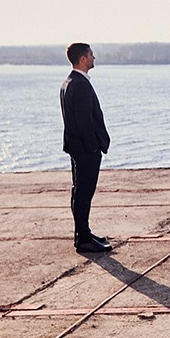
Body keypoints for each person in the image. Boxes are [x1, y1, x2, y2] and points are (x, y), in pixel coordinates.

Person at [60, 42, 112, 254]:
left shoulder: (68, 82)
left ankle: (83, 234)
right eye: (91, 54)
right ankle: (84, 239)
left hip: (76, 148)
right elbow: (84, 122)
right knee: (83, 194)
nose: (94, 57)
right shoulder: (80, 84)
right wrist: (93, 147)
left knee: (79, 192)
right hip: (84, 150)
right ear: (83, 58)